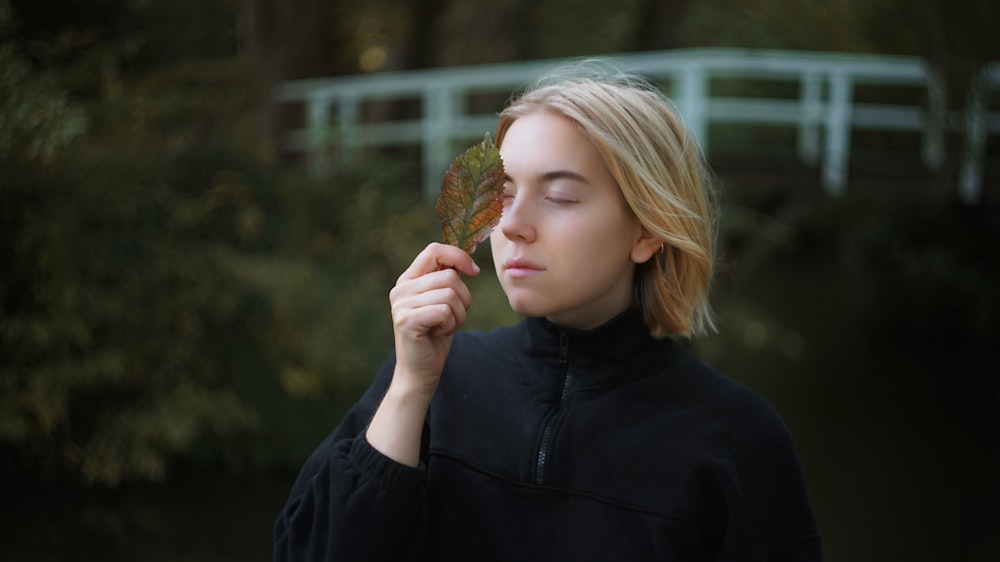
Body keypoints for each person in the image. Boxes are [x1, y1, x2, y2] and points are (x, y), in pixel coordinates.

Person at [273, 66, 822, 561]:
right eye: (503, 194)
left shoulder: (737, 440)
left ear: (648, 230)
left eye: (558, 196)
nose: (512, 225)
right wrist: (410, 390)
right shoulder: (431, 381)